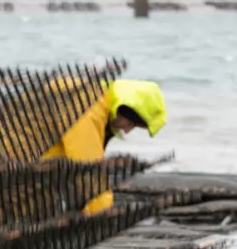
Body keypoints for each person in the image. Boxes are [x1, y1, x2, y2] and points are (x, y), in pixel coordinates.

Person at [43, 79, 167, 213]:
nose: (127, 131)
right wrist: (105, 218)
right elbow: (89, 173)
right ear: (124, 110)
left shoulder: (93, 98)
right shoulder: (88, 109)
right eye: (131, 123)